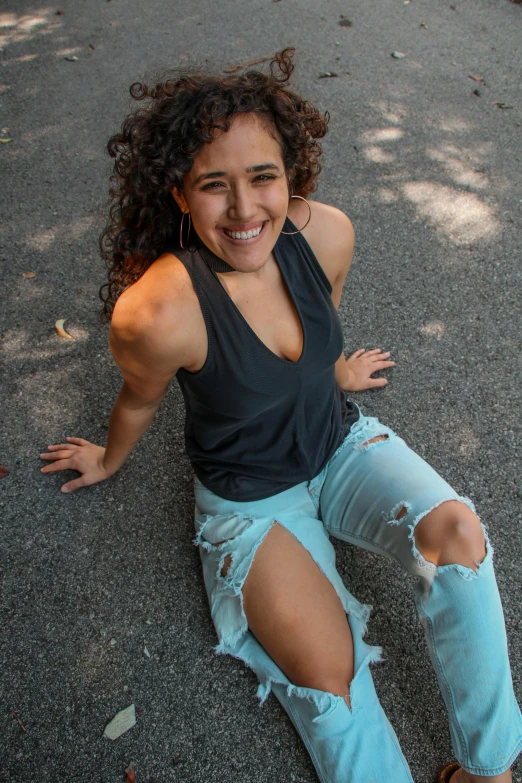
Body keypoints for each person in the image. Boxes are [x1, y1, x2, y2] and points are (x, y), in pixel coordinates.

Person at [39, 50, 521, 782]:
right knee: (330, 671)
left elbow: (323, 313)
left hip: (339, 441)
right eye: (212, 185)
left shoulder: (325, 234)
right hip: (251, 503)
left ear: (290, 175)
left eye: (262, 176)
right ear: (178, 194)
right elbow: (139, 397)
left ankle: (490, 767)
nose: (243, 209)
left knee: (459, 535)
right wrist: (108, 457)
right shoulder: (159, 310)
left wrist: (333, 373)